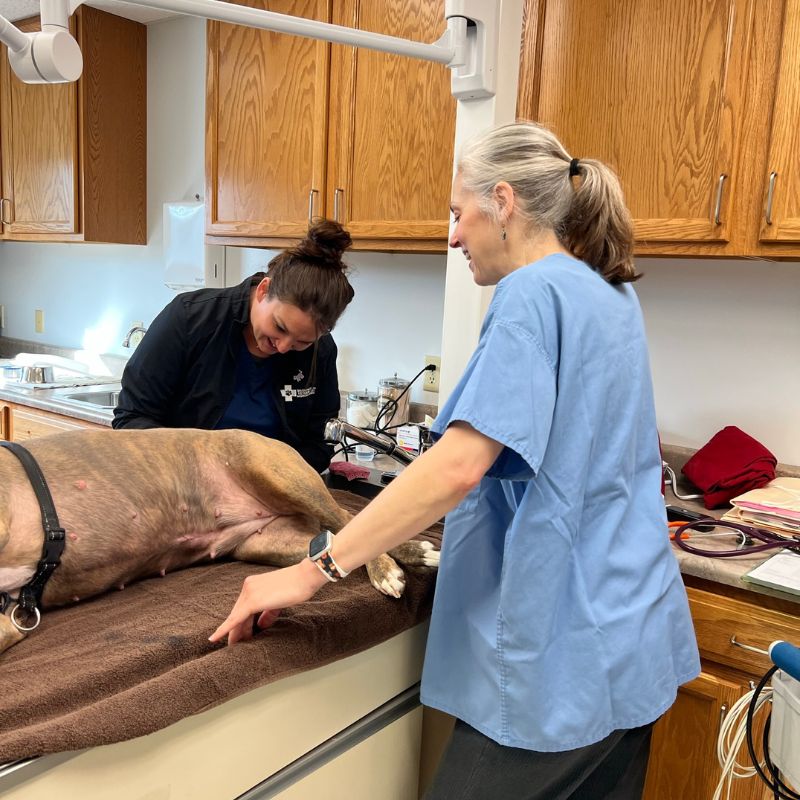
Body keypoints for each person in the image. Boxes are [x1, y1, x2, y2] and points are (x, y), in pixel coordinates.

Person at [209, 122, 700, 799]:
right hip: (631, 636)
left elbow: (457, 467)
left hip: (557, 660)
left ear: (503, 201)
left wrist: (312, 571)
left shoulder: (532, 295)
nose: (454, 236)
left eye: (457, 213)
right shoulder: (611, 294)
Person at [113, 219, 355, 473]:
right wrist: (198, 463)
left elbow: (321, 441)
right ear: (264, 290)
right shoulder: (189, 319)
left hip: (269, 489)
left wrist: (273, 474)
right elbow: (131, 418)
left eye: (302, 342)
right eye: (280, 327)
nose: (283, 347)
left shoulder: (321, 350)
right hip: (180, 481)